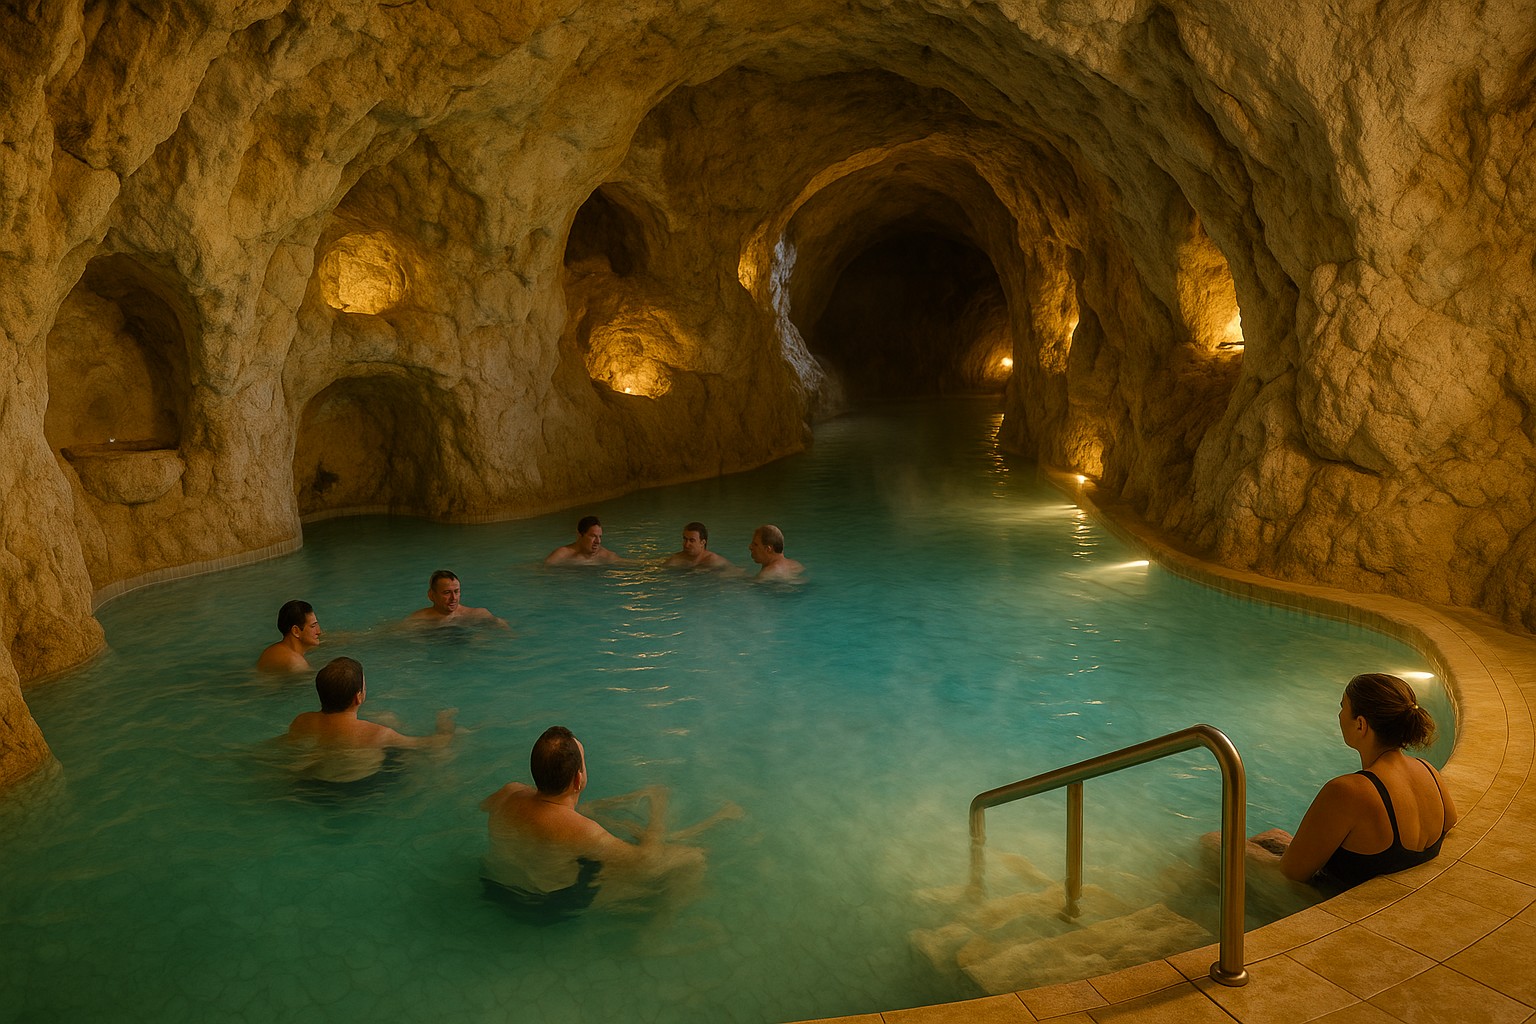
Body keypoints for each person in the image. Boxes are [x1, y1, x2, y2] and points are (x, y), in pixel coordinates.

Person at [480, 726, 736, 914]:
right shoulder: (585, 833)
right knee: (693, 857)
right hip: (544, 906)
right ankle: (655, 935)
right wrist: (658, 809)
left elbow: (496, 808)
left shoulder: (509, 791)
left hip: (497, 886)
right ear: (578, 779)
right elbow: (648, 864)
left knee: (614, 836)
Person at [1247, 672, 1457, 888]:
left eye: (1342, 707)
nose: (1339, 715)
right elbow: (1450, 821)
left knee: (1216, 843)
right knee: (1271, 837)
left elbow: (1290, 874)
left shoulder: (1348, 791)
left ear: (1360, 724)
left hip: (1326, 897)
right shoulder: (1428, 770)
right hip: (1385, 875)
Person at [286, 657, 457, 750]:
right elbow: (433, 745)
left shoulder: (301, 722)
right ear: (358, 697)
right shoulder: (379, 735)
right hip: (361, 787)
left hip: (314, 784)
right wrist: (444, 727)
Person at [407, 570, 509, 627]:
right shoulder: (419, 620)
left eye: (456, 591)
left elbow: (505, 631)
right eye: (447, 593)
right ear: (431, 595)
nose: (453, 598)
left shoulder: (477, 614)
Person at [256, 599, 322, 672]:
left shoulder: (272, 650)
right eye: (313, 626)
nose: (319, 632)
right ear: (296, 631)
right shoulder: (296, 662)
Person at [545, 515, 624, 565]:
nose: (598, 541)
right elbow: (544, 571)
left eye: (600, 537)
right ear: (580, 535)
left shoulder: (606, 556)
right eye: (593, 536)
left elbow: (629, 564)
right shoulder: (562, 554)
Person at [663, 521, 733, 570]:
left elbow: (735, 575)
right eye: (685, 539)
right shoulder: (677, 559)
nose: (686, 544)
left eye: (692, 540)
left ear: (702, 542)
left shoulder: (713, 561)